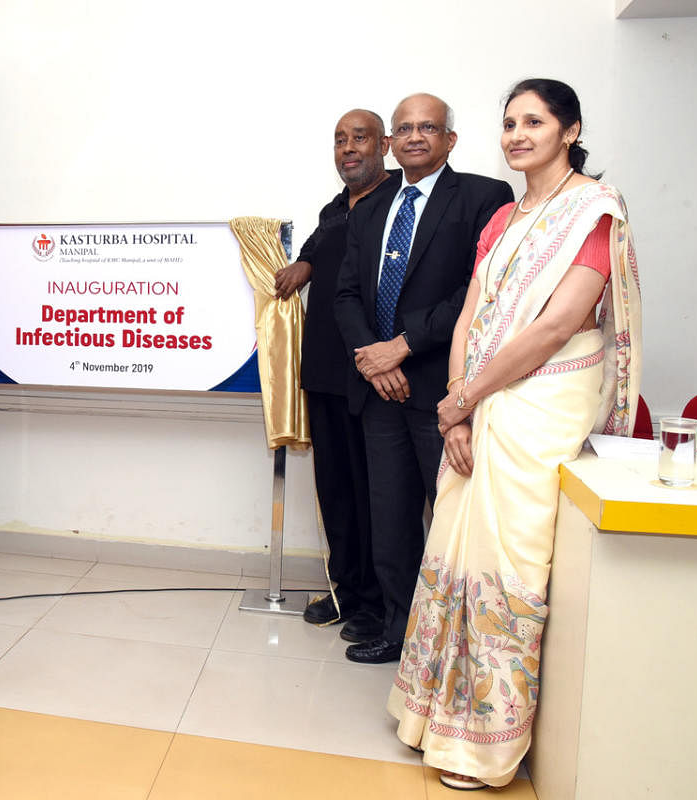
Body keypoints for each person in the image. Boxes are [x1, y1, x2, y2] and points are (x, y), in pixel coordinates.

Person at [387, 79, 641, 790]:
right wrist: (459, 407)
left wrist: (465, 395)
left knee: (510, 561)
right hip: (477, 401)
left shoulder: (593, 211)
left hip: (543, 405)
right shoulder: (502, 219)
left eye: (535, 121)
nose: (518, 133)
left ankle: (485, 744)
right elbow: (472, 311)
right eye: (508, 122)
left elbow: (558, 325)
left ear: (570, 129)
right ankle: (430, 717)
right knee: (453, 547)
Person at [333, 94, 513, 665]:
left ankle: (456, 645)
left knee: (453, 517)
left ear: (450, 140)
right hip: (380, 392)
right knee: (391, 519)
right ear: (390, 143)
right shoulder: (367, 209)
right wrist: (372, 357)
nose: (415, 137)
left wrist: (403, 347)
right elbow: (346, 294)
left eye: (428, 127)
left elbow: (476, 290)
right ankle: (399, 631)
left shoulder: (486, 198)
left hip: (444, 389)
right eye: (404, 128)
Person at [274, 111, 392, 642]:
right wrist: (304, 263)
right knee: (335, 492)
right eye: (340, 140)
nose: (348, 148)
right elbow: (322, 254)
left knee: (375, 495)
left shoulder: (397, 205)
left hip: (370, 377)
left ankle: (377, 603)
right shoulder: (332, 209)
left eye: (359, 138)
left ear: (383, 145)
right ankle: (345, 588)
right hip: (322, 373)